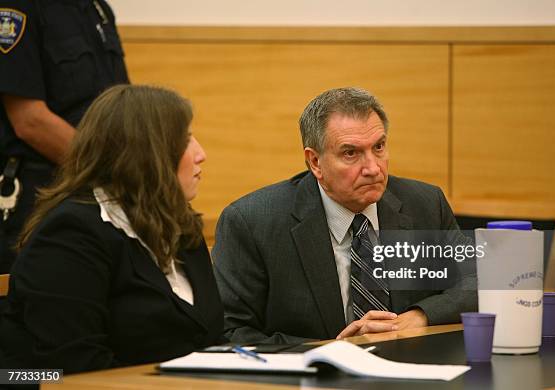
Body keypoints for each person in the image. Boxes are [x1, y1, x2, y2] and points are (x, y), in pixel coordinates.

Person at [213, 87, 477, 344]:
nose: (373, 168)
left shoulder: (424, 204)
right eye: (351, 153)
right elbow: (231, 332)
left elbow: (480, 280)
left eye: (379, 147)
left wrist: (420, 317)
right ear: (315, 162)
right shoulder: (252, 222)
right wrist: (333, 351)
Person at [0, 85, 225, 373]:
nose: (201, 154)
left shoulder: (181, 225)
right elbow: (73, 366)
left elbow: (210, 339)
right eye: (185, 140)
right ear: (146, 153)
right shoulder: (70, 235)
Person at [0, 0, 129, 274]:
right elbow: (29, 120)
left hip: (99, 194)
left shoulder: (98, 8)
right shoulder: (17, 6)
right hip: (39, 196)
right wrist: (111, 169)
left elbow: (123, 105)